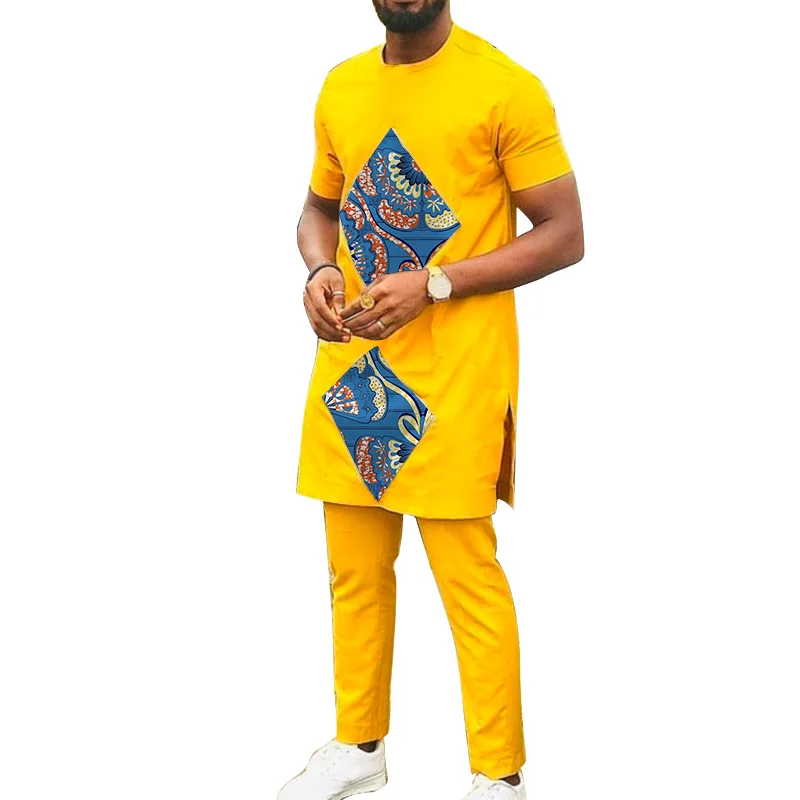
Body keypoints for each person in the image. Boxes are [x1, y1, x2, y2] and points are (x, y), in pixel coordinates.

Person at [282, 1, 584, 798]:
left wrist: (437, 282)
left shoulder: (505, 87)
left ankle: (498, 777)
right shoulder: (342, 87)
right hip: (355, 367)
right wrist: (320, 268)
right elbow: (319, 209)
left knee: (468, 582)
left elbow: (564, 232)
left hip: (456, 375)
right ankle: (359, 746)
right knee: (354, 573)